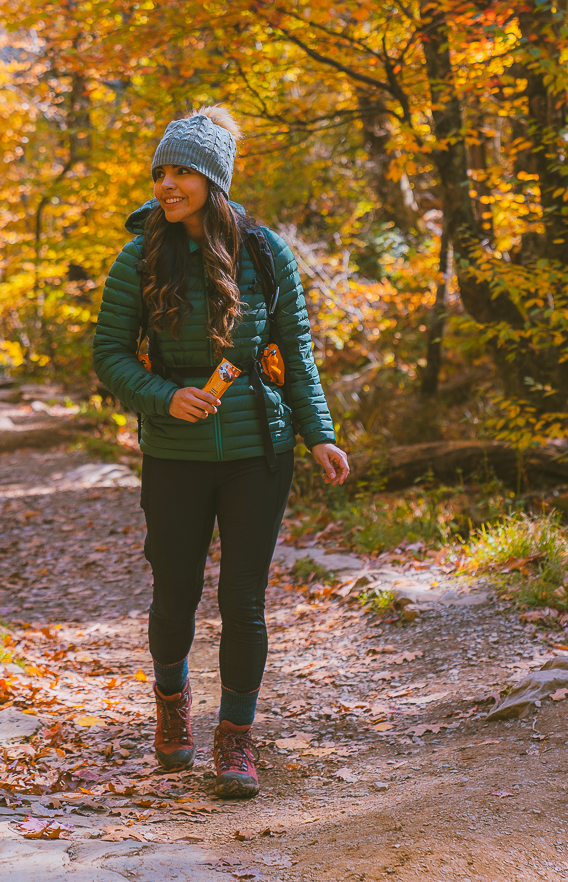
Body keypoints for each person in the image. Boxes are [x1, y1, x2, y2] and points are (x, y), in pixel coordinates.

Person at [93, 106, 349, 799]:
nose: (167, 184)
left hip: (258, 452)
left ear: (214, 177)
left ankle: (235, 735)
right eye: (160, 172)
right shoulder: (138, 255)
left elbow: (296, 353)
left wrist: (319, 432)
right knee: (174, 596)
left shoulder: (266, 254)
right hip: (175, 455)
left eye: (181, 171)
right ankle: (172, 702)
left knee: (244, 600)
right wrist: (162, 394)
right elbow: (108, 354)